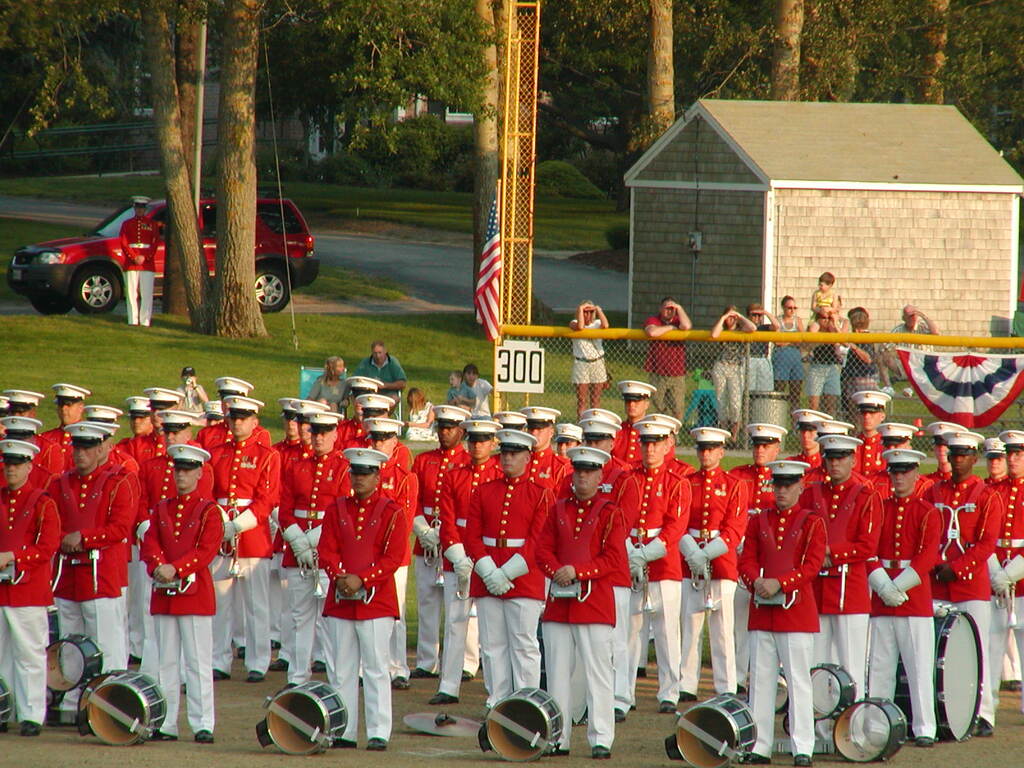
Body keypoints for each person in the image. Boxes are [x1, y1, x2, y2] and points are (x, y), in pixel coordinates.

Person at [319, 447, 409, 751]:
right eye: (355, 472)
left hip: (376, 601)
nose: (359, 478)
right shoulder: (336, 509)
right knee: (342, 668)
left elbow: (393, 557)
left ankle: (378, 730)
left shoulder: (392, 511)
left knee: (375, 667)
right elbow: (327, 550)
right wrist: (341, 577)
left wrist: (363, 579)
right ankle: (343, 730)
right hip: (342, 598)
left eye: (365, 473)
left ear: (378, 476)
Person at [537, 446, 624, 759]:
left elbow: (613, 558)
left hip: (594, 604)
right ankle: (558, 737)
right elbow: (542, 549)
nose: (583, 476)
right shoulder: (558, 508)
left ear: (600, 475)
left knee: (597, 673)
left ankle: (601, 737)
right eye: (578, 471)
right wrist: (557, 571)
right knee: (557, 672)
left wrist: (578, 571)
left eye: (589, 471)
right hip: (560, 604)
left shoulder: (610, 511)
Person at [738, 460, 826, 767]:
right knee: (760, 681)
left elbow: (812, 566)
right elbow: (746, 559)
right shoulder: (759, 519)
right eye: (778, 485)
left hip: (795, 611)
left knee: (798, 680)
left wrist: (780, 583)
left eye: (788, 485)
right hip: (763, 610)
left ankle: (802, 745)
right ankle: (759, 744)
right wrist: (756, 581)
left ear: (800, 487)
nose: (782, 491)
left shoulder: (812, 522)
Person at [51, 422, 134, 720]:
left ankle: (106, 703)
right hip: (69, 574)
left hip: (102, 574)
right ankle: (72, 702)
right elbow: (51, 520)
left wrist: (84, 538)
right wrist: (62, 538)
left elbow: (121, 527)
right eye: (77, 447)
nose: (80, 453)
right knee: (71, 642)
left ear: (102, 449)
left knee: (106, 642)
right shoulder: (61, 483)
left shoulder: (119, 480)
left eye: (87, 447)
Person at [464, 429, 552, 709]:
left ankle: (527, 704)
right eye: (504, 453)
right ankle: (497, 701)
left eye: (514, 454)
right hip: (488, 575)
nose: (507, 459)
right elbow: (472, 535)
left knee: (524, 645)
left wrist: (505, 573)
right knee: (491, 647)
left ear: (528, 457)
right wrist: (490, 571)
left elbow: (538, 540)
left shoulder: (540, 494)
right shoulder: (484, 491)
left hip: (524, 578)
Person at [140, 443, 222, 743]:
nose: (182, 475)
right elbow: (150, 543)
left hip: (194, 593)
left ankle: (203, 723)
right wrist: (160, 566)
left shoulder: (209, 510)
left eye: (188, 470)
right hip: (165, 592)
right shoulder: (162, 508)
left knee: (198, 662)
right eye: (178, 470)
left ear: (200, 473)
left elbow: (207, 549)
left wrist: (176, 568)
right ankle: (167, 722)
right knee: (166, 662)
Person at [867, 448, 940, 747]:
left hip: (913, 598)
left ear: (915, 474)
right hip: (883, 595)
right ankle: (877, 726)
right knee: (880, 668)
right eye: (894, 472)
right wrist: (883, 585)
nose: (899, 477)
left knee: (919, 668)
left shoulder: (927, 512)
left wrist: (899, 587)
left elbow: (928, 556)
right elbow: (868, 549)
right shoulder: (879, 509)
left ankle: (924, 727)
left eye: (905, 471)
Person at [616, 420, 689, 712]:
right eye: (645, 443)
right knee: (630, 632)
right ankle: (623, 694)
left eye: (656, 443)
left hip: (664, 566)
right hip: (632, 562)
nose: (650, 449)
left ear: (667, 444)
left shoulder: (676, 481)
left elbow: (675, 528)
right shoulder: (627, 479)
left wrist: (642, 555)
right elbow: (619, 519)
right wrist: (630, 553)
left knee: (667, 631)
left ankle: (669, 693)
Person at [803, 433, 881, 708]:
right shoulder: (812, 493)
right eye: (830, 457)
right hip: (818, 590)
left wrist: (829, 553)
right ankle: (820, 723)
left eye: (841, 458)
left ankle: (853, 723)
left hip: (851, 591)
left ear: (853, 459)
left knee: (851, 666)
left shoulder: (866, 496)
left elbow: (868, 546)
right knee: (817, 664)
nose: (835, 463)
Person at [209, 395, 280, 683]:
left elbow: (268, 498)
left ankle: (258, 660)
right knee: (220, 604)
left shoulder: (267, 455)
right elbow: (208, 493)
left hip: (252, 536)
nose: (237, 422)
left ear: (255, 421)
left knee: (256, 604)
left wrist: (238, 524)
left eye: (243, 417)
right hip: (221, 534)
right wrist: (221, 522)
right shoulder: (215, 453)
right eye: (233, 417)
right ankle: (219, 660)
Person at [431, 418, 502, 705]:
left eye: (483, 440)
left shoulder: (498, 474)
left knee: (491, 627)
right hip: (457, 557)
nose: (477, 445)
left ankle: (496, 691)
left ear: (493, 443)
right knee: (455, 622)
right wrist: (458, 555)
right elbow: (446, 519)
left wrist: (482, 559)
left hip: (487, 558)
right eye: (473, 440)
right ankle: (448, 685)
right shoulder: (454, 475)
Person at [277, 409, 348, 685]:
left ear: (335, 434)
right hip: (298, 554)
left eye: (324, 432)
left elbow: (341, 510)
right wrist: (298, 542)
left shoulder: (343, 468)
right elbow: (284, 509)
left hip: (328, 551)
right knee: (299, 618)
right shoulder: (297, 467)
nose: (318, 438)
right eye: (315, 432)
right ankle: (297, 676)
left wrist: (313, 542)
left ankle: (335, 674)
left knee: (330, 619)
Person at [678, 426, 747, 701]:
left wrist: (705, 554)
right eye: (701, 449)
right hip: (690, 559)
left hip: (721, 560)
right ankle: (687, 684)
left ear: (721, 452)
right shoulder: (687, 482)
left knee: (722, 629)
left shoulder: (734, 485)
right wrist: (692, 552)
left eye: (711, 449)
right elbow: (679, 522)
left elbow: (735, 528)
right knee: (690, 626)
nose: (705, 454)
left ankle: (726, 684)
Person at [0, 438, 61, 737]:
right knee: (1, 654)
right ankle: (4, 709)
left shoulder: (41, 502)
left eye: (16, 464)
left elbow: (48, 546)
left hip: (27, 589)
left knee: (29, 654)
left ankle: (32, 714)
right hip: (2, 591)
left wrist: (14, 557)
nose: (10, 469)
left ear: (28, 466)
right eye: (7, 463)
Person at [409, 406, 471, 680]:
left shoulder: (468, 462)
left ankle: (467, 661)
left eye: (450, 428)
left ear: (462, 430)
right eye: (442, 427)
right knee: (427, 601)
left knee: (463, 605)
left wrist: (445, 532)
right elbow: (413, 499)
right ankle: (426, 659)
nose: (444, 432)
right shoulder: (423, 461)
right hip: (427, 541)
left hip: (456, 541)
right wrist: (423, 530)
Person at [728, 423, 787, 691]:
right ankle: (739, 677)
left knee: (773, 622)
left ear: (777, 448)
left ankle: (772, 676)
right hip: (741, 557)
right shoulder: (738, 476)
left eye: (766, 445)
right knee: (739, 621)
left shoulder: (782, 479)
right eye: (756, 444)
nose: (760, 450)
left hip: (771, 558)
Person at [363, 417, 419, 689]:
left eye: (384, 439)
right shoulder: (360, 474)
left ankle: (398, 667)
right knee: (364, 610)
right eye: (374, 438)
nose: (378, 443)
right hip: (363, 555)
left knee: (395, 612)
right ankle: (367, 666)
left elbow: (405, 520)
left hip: (394, 555)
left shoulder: (403, 477)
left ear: (394, 442)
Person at [990, 430, 1024, 710]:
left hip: (1022, 577)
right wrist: (994, 572)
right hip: (995, 574)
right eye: (1009, 454)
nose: (1012, 459)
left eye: (1018, 454)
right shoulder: (994, 491)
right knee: (991, 647)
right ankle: (986, 710)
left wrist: (1012, 573)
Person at [710, 307, 757, 443]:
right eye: (728, 316)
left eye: (733, 317)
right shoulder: (722, 330)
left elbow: (752, 327)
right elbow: (714, 335)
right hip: (721, 367)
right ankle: (724, 436)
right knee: (722, 402)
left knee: (735, 404)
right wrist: (724, 317)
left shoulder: (741, 330)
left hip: (736, 368)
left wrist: (739, 316)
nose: (731, 319)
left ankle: (734, 437)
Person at [643, 297, 693, 422]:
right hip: (658, 371)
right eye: (666, 308)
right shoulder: (654, 320)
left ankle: (675, 434)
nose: (669, 311)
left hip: (677, 372)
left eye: (672, 309)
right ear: (661, 309)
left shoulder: (679, 321)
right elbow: (652, 332)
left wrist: (679, 308)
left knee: (678, 407)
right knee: (658, 403)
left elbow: (687, 326)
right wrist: (671, 328)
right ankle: (664, 428)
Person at [120, 196, 159, 327]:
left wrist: (145, 257)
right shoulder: (127, 224)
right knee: (131, 292)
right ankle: (132, 320)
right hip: (132, 262)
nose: (140, 210)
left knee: (147, 293)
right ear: (134, 208)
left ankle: (145, 320)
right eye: (137, 208)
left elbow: (155, 243)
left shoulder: (152, 224)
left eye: (142, 208)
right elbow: (124, 243)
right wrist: (133, 256)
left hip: (146, 262)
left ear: (145, 209)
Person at [841, 308, 885, 419]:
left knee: (862, 413)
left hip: (864, 378)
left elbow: (868, 358)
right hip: (851, 378)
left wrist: (854, 347)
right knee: (852, 414)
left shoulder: (865, 338)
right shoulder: (854, 336)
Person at [37, 383, 91, 470]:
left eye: (69, 405)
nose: (63, 409)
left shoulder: (90, 439)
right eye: (60, 405)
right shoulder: (45, 439)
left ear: (81, 408)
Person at [570, 301, 610, 417]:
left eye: (590, 312)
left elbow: (606, 325)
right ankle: (582, 423)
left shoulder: (597, 323)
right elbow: (581, 327)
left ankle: (595, 423)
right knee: (582, 400)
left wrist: (598, 310)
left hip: (597, 361)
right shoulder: (573, 323)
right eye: (585, 312)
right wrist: (580, 309)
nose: (588, 315)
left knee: (596, 399)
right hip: (581, 362)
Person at [806, 309, 846, 415]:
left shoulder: (833, 330)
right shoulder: (815, 328)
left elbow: (845, 342)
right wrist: (817, 325)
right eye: (823, 318)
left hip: (832, 367)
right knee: (814, 405)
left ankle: (828, 429)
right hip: (817, 367)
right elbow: (810, 338)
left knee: (831, 405)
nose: (826, 320)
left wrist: (834, 323)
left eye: (828, 318)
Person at [611, 380, 655, 465]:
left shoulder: (653, 432)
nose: (631, 405)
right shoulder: (616, 431)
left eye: (636, 401)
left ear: (647, 404)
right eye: (628, 401)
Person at [773, 296, 805, 409]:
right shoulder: (778, 320)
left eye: (794, 308)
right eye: (789, 308)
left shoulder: (798, 321)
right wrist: (793, 340)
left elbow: (802, 339)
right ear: (783, 308)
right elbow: (777, 342)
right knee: (780, 388)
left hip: (796, 357)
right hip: (781, 357)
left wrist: (786, 340)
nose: (792, 310)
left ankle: (794, 422)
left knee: (796, 392)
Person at [851, 390, 892, 478]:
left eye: (872, 412)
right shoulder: (851, 445)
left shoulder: (888, 446)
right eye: (863, 413)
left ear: (882, 416)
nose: (866, 417)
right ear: (858, 416)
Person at [746, 302, 779, 393]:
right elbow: (751, 327)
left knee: (765, 390)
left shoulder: (764, 328)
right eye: (754, 315)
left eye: (759, 315)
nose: (757, 317)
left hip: (763, 358)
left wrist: (765, 312)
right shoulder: (745, 327)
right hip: (749, 358)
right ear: (748, 315)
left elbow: (776, 325)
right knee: (748, 390)